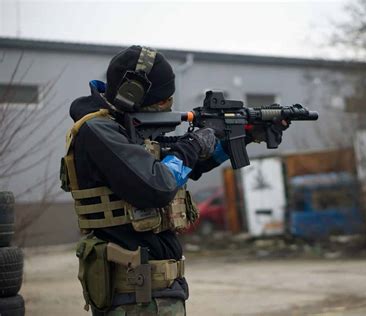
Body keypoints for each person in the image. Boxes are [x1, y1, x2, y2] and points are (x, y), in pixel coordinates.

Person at [60, 45, 287, 315]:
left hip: (155, 292)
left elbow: (183, 167)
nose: (168, 105)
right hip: (134, 295)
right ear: (131, 94)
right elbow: (158, 185)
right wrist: (193, 142)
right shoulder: (98, 131)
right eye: (163, 100)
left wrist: (243, 135)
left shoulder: (122, 129)